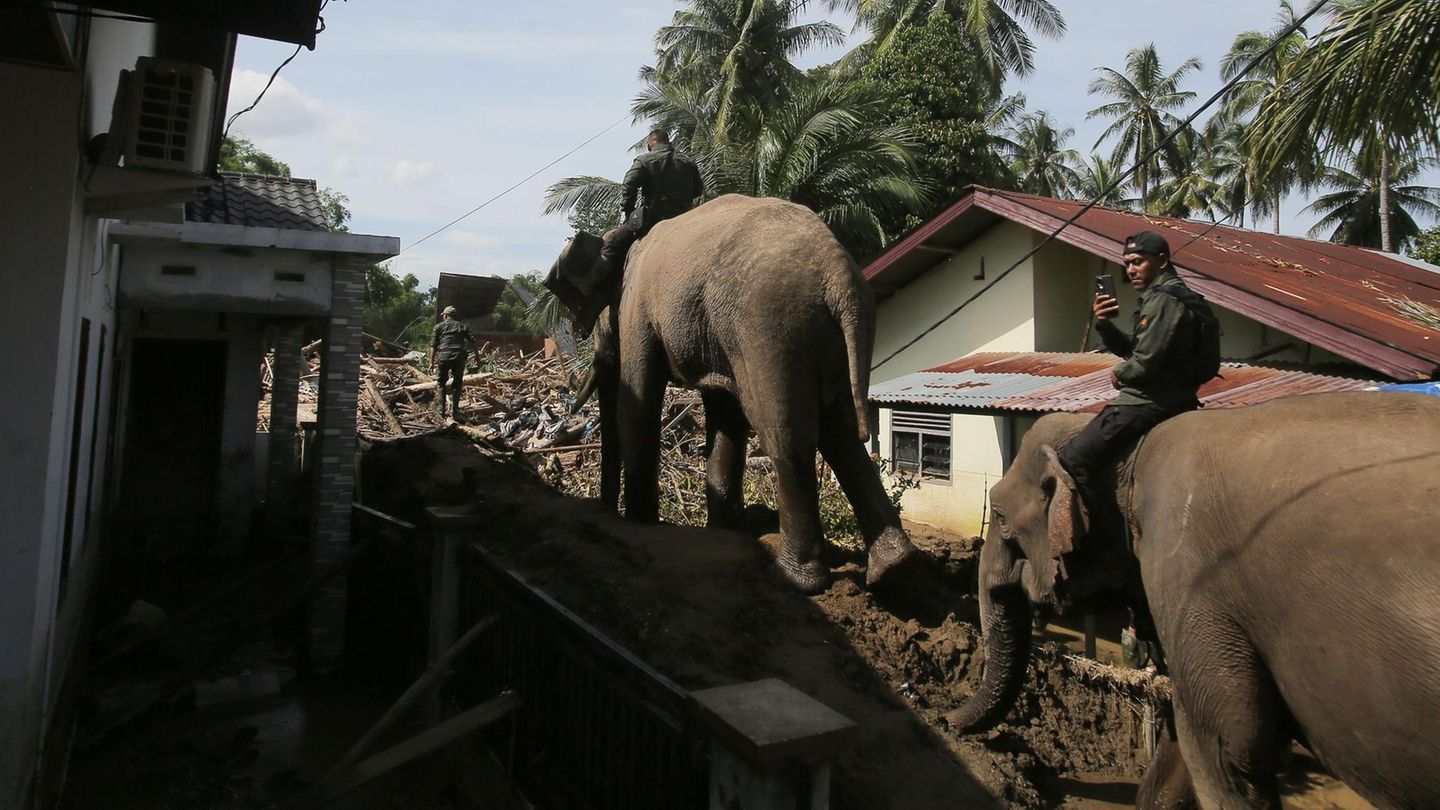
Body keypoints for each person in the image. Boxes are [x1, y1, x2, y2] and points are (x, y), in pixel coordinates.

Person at [1058, 230, 1216, 539]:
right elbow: (1140, 350)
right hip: (1176, 395)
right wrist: (1104, 325)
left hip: (1148, 401)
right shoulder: (1175, 297)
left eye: (1138, 262)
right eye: (1127, 264)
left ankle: (1105, 538)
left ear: (1162, 261)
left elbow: (1143, 363)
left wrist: (1120, 374)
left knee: (1074, 458)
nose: (1131, 270)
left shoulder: (1163, 300)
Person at [428, 305, 481, 420]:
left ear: (446, 315)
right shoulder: (462, 326)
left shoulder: (438, 327)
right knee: (457, 385)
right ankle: (455, 411)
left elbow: (433, 346)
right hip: (459, 357)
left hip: (444, 356)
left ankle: (440, 410)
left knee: (441, 383)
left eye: (443, 316)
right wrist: (477, 356)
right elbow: (474, 341)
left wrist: (431, 362)